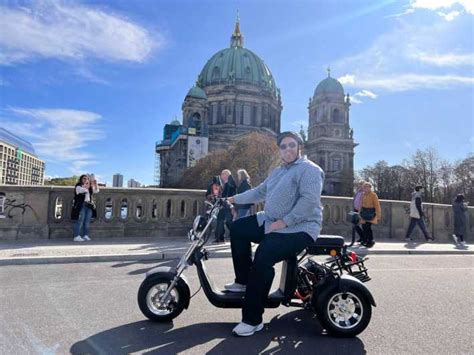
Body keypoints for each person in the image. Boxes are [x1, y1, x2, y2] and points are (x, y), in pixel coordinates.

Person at [225, 131, 324, 337]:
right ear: (279, 150)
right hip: (270, 221)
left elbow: (309, 202)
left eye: (291, 145)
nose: (287, 149)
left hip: (300, 227)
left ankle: (253, 319)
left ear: (299, 147)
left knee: (264, 254)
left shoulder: (310, 170)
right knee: (238, 229)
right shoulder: (279, 171)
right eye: (283, 146)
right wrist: (233, 199)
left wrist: (283, 222)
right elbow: (259, 191)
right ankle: (243, 280)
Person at [71, 174, 99, 242]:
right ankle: (76, 236)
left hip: (88, 205)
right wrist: (89, 184)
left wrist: (95, 184)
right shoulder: (78, 186)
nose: (86, 180)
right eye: (84, 178)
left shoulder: (89, 187)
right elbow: (84, 190)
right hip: (81, 206)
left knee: (87, 222)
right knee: (80, 221)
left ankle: (85, 235)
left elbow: (96, 190)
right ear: (81, 179)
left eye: (87, 178)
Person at [214, 169, 236, 243]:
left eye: (222, 174)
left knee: (228, 221)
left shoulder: (230, 183)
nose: (221, 176)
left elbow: (231, 195)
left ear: (226, 175)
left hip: (228, 205)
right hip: (225, 205)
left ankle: (237, 234)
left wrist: (224, 199)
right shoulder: (227, 183)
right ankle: (219, 238)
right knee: (221, 220)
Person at [359, 182, 381, 248]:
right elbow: (361, 204)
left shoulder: (373, 195)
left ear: (370, 188)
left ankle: (370, 241)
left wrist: (378, 215)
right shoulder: (363, 194)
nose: (365, 188)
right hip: (364, 211)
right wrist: (359, 212)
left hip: (370, 212)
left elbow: (377, 205)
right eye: (364, 187)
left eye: (367, 187)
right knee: (364, 227)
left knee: (368, 227)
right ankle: (365, 240)